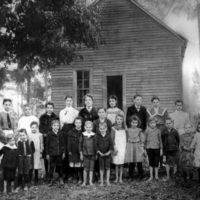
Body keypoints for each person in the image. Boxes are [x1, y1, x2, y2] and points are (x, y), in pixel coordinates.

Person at [59, 96, 79, 180]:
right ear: (65, 102)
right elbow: (61, 124)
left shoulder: (76, 111)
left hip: (72, 130)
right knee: (65, 151)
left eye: (70, 100)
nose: (69, 102)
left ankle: (73, 173)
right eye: (67, 101)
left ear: (72, 101)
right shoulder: (61, 111)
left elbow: (76, 123)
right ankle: (65, 173)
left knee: (72, 150)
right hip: (64, 131)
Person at [39, 102, 57, 180]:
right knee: (46, 156)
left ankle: (52, 173)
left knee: (53, 156)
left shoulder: (55, 117)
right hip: (46, 138)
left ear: (53, 108)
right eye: (48, 107)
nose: (49, 109)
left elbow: (57, 126)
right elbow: (41, 128)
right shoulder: (42, 117)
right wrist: (45, 134)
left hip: (53, 139)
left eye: (51, 107)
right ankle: (46, 173)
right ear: (46, 108)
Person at [46, 118, 65, 186]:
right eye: (54, 125)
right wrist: (47, 153)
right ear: (52, 126)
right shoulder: (49, 134)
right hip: (52, 154)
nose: (56, 127)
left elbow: (63, 144)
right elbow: (47, 145)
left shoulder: (61, 134)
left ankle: (60, 178)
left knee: (60, 166)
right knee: (51, 167)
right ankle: (51, 179)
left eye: (57, 125)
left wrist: (63, 152)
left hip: (59, 153)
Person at [125, 115, 144, 181]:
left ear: (137, 123)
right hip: (130, 146)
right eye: (133, 122)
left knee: (139, 162)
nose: (134, 124)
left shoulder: (139, 130)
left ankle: (141, 175)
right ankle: (131, 175)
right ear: (130, 122)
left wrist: (141, 146)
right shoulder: (128, 130)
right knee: (131, 162)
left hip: (137, 146)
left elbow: (142, 139)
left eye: (136, 123)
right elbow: (126, 139)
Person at [144, 117, 163, 181]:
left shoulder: (158, 131)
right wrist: (144, 149)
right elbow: (145, 140)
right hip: (149, 148)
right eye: (151, 123)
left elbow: (160, 140)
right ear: (149, 124)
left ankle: (156, 176)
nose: (152, 124)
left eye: (154, 123)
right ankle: (151, 176)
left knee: (156, 162)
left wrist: (161, 149)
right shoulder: (147, 130)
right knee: (151, 162)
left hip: (156, 148)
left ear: (156, 123)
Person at [79, 121, 96, 186]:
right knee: (85, 168)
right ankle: (84, 182)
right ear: (85, 127)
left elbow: (95, 145)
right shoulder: (83, 135)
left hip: (92, 154)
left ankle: (90, 181)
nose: (88, 128)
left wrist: (96, 153)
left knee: (91, 168)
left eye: (90, 127)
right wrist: (81, 154)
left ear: (92, 128)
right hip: (85, 154)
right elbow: (80, 145)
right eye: (87, 127)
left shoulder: (94, 135)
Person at [67, 117, 83, 184]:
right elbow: (69, 142)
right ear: (74, 123)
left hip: (81, 150)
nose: (78, 124)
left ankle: (81, 178)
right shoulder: (71, 132)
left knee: (80, 165)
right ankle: (75, 177)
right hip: (73, 150)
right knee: (74, 165)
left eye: (79, 122)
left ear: (81, 123)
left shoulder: (83, 132)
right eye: (76, 122)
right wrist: (69, 150)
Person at [112, 114, 126, 183]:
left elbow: (126, 138)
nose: (119, 121)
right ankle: (116, 178)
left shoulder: (125, 128)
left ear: (123, 120)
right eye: (118, 119)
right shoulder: (113, 128)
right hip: (116, 147)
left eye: (120, 119)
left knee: (121, 163)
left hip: (123, 147)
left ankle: (120, 178)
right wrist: (114, 148)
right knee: (116, 163)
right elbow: (112, 139)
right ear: (116, 120)